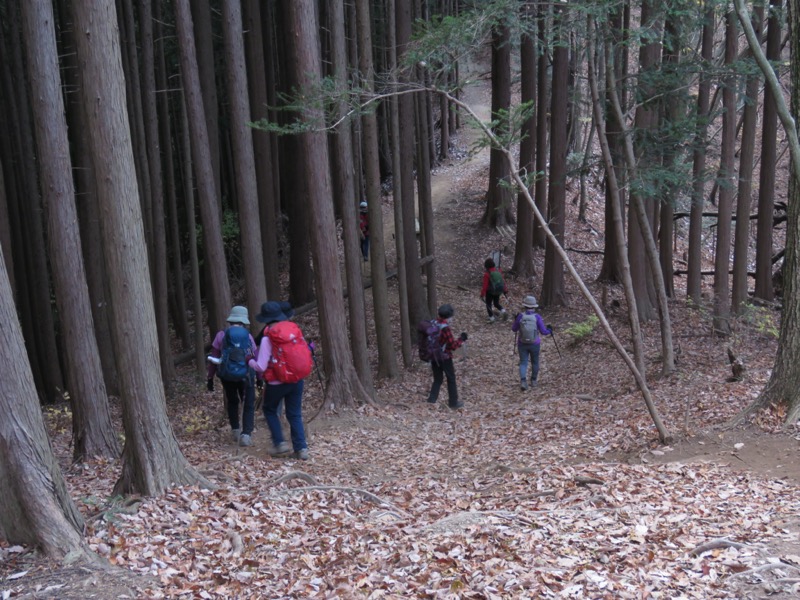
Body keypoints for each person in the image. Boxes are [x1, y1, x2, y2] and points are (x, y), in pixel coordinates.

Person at [248, 301, 310, 460]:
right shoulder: (294, 331)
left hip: (276, 383)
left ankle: (280, 443)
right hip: (297, 380)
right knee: (294, 414)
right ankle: (301, 448)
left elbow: (261, 366)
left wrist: (249, 361)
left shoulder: (268, 338)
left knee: (269, 410)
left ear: (266, 319)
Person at [207, 306, 258, 446]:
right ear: (244, 321)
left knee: (232, 401)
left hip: (227, 375)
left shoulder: (221, 335)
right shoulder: (247, 336)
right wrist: (259, 377)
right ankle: (246, 434)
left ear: (231, 320)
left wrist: (210, 378)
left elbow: (214, 358)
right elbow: (256, 356)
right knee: (248, 403)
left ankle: (235, 430)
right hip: (246, 375)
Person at [426, 304, 468, 409]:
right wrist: (461, 339)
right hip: (445, 357)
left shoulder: (433, 323)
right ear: (449, 316)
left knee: (437, 379)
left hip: (433, 355)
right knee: (451, 378)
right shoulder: (445, 328)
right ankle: (453, 403)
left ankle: (431, 401)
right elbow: (452, 345)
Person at [511, 295, 553, 391]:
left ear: (525, 306)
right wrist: (550, 330)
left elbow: (514, 329)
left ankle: (523, 381)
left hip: (522, 343)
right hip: (535, 343)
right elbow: (543, 332)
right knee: (535, 362)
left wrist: (516, 320)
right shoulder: (537, 317)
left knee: (523, 362)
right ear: (534, 306)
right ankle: (533, 381)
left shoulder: (520, 316)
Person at [480, 258, 508, 323]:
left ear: (486, 266)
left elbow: (485, 286)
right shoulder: (499, 271)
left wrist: (482, 294)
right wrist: (505, 289)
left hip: (490, 292)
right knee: (496, 303)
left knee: (488, 304)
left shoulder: (487, 274)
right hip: (498, 290)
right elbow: (503, 281)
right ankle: (503, 311)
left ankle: (491, 318)